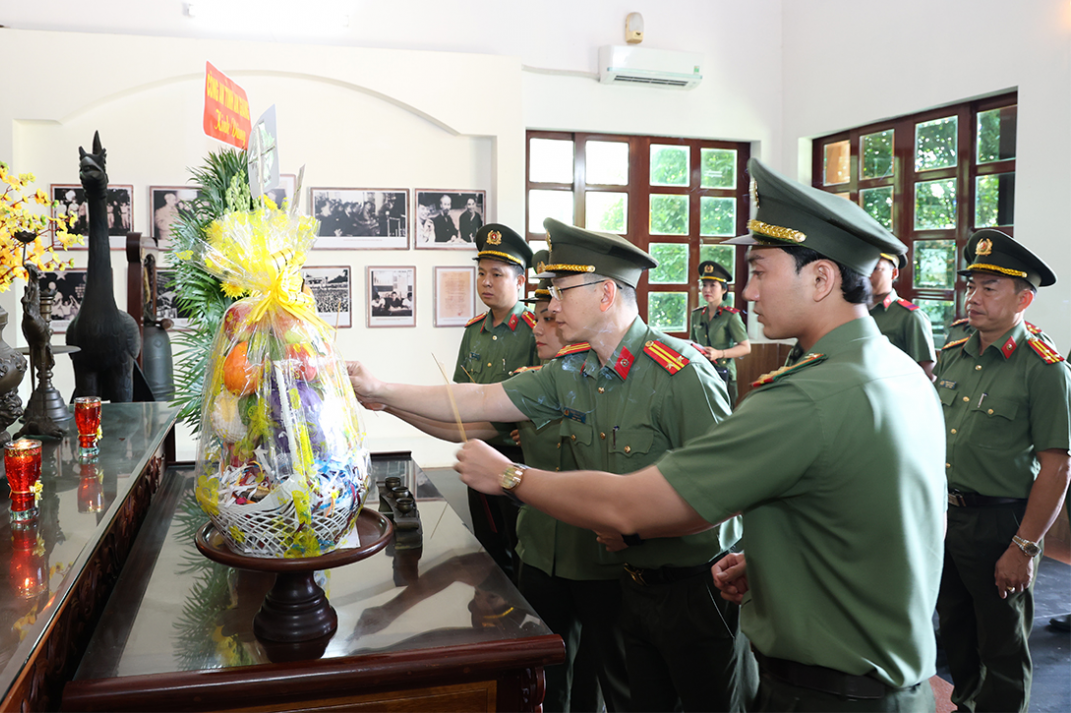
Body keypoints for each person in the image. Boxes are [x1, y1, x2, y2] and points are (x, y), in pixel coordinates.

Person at [403, 158, 948, 712]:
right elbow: (862, 521)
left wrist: (511, 476)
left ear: (822, 278)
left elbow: (631, 506)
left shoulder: (807, 395)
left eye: (759, 271)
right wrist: (768, 563)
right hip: (885, 681)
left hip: (829, 693)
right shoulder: (894, 371)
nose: (749, 292)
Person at [352, 218, 752, 713]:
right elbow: (478, 397)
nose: (551, 304)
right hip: (632, 585)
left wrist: (636, 531)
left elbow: (728, 495)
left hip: (698, 588)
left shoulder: (681, 374)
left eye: (562, 289)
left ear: (606, 294)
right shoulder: (572, 370)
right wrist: (381, 390)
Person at [933, 228, 1071, 713]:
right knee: (956, 633)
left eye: (989, 287)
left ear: (1023, 298)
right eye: (971, 286)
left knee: (1003, 646)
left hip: (1001, 524)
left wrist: (1025, 547)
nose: (973, 297)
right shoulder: (954, 353)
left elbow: (1057, 465)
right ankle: (968, 705)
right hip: (946, 518)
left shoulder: (1044, 366)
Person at [452, 223, 538, 580]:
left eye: (497, 274)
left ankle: (524, 628)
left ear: (520, 281)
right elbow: (458, 392)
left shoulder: (538, 329)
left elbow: (551, 396)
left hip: (521, 461)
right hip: (478, 451)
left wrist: (531, 427)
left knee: (523, 551)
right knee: (487, 547)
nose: (486, 282)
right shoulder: (475, 331)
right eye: (481, 273)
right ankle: (490, 622)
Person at [691, 260, 751, 404]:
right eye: (704, 285)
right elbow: (693, 343)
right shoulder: (697, 314)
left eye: (713, 285)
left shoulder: (731, 316)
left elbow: (745, 348)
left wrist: (719, 353)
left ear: (724, 289)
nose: (707, 290)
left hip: (723, 374)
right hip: (701, 372)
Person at [868, 251, 935, 378]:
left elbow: (928, 375)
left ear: (894, 273)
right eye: (863, 267)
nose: (867, 274)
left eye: (875, 268)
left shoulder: (910, 316)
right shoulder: (852, 311)